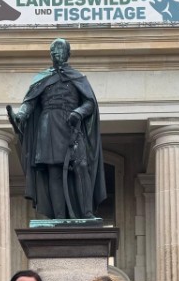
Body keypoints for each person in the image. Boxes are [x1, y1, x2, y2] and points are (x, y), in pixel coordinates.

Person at [6, 37, 106, 220]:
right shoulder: (41, 78)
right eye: (53, 50)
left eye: (60, 49)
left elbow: (90, 103)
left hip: (72, 125)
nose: (56, 52)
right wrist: (20, 115)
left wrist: (79, 112)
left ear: (68, 53)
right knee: (54, 171)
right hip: (48, 126)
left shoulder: (78, 77)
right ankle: (58, 216)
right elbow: (29, 103)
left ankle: (86, 212)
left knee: (81, 165)